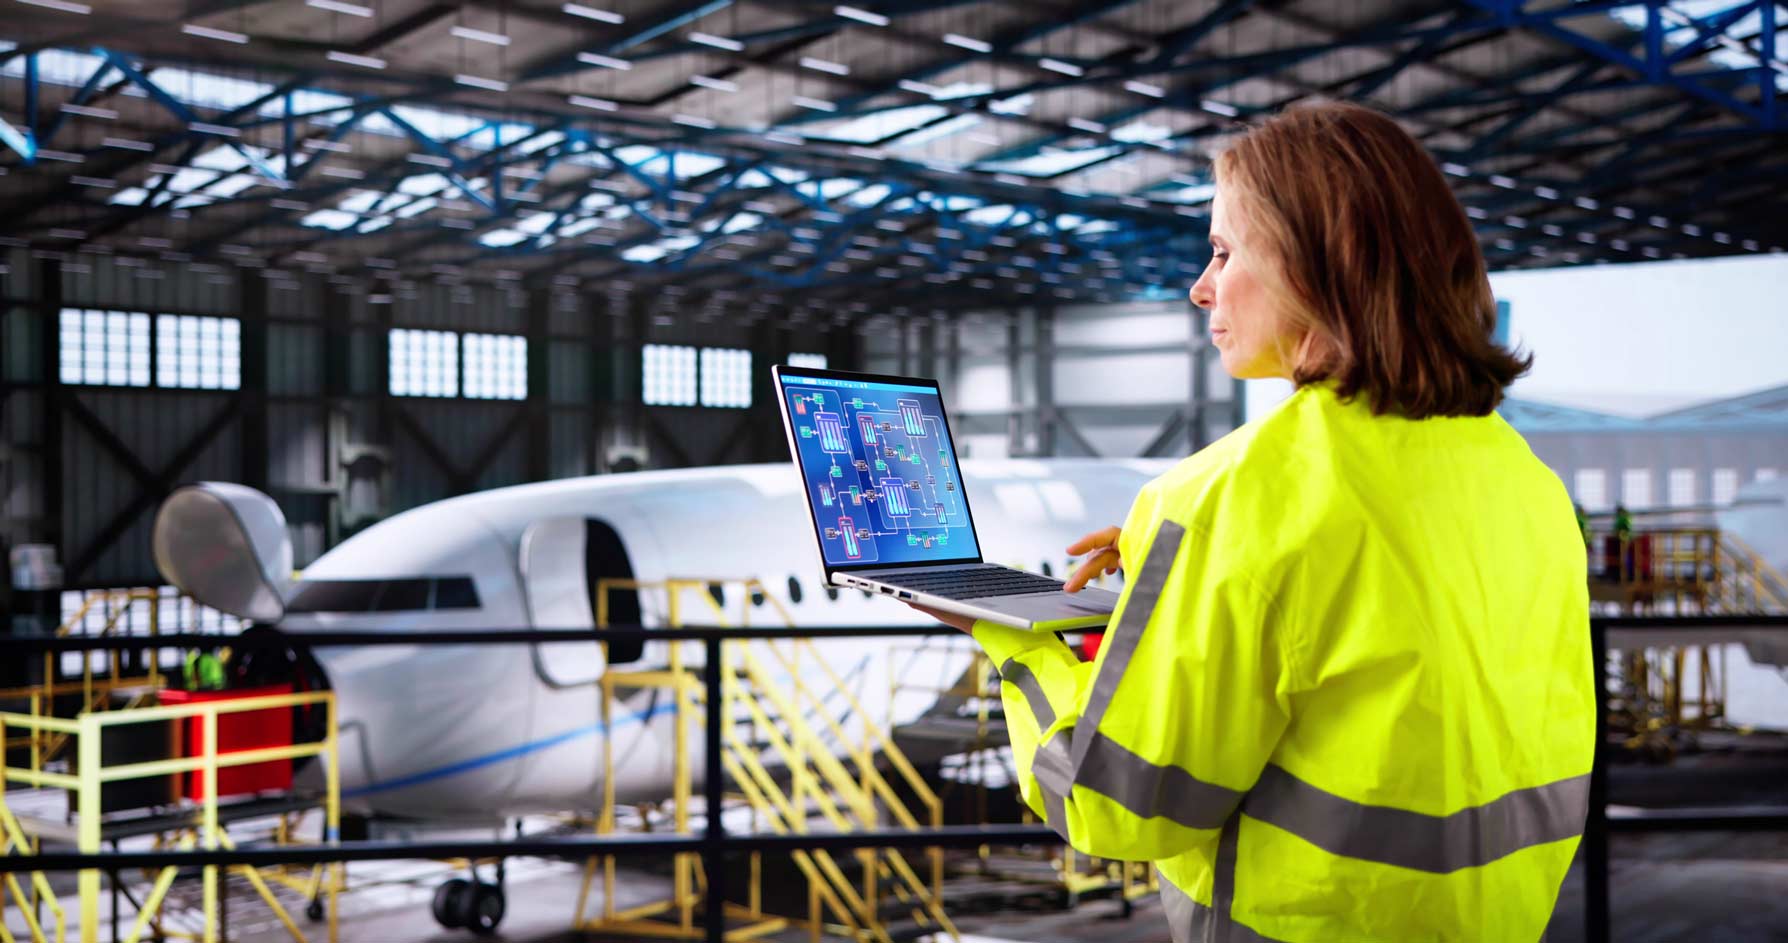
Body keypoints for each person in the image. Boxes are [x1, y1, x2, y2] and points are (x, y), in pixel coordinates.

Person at [911, 101, 1594, 942]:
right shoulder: (1525, 481)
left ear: (1312, 265)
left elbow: (1114, 804)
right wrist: (1200, 571)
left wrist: (1010, 641)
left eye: (1224, 251)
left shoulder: (1231, 496)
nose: (1201, 286)